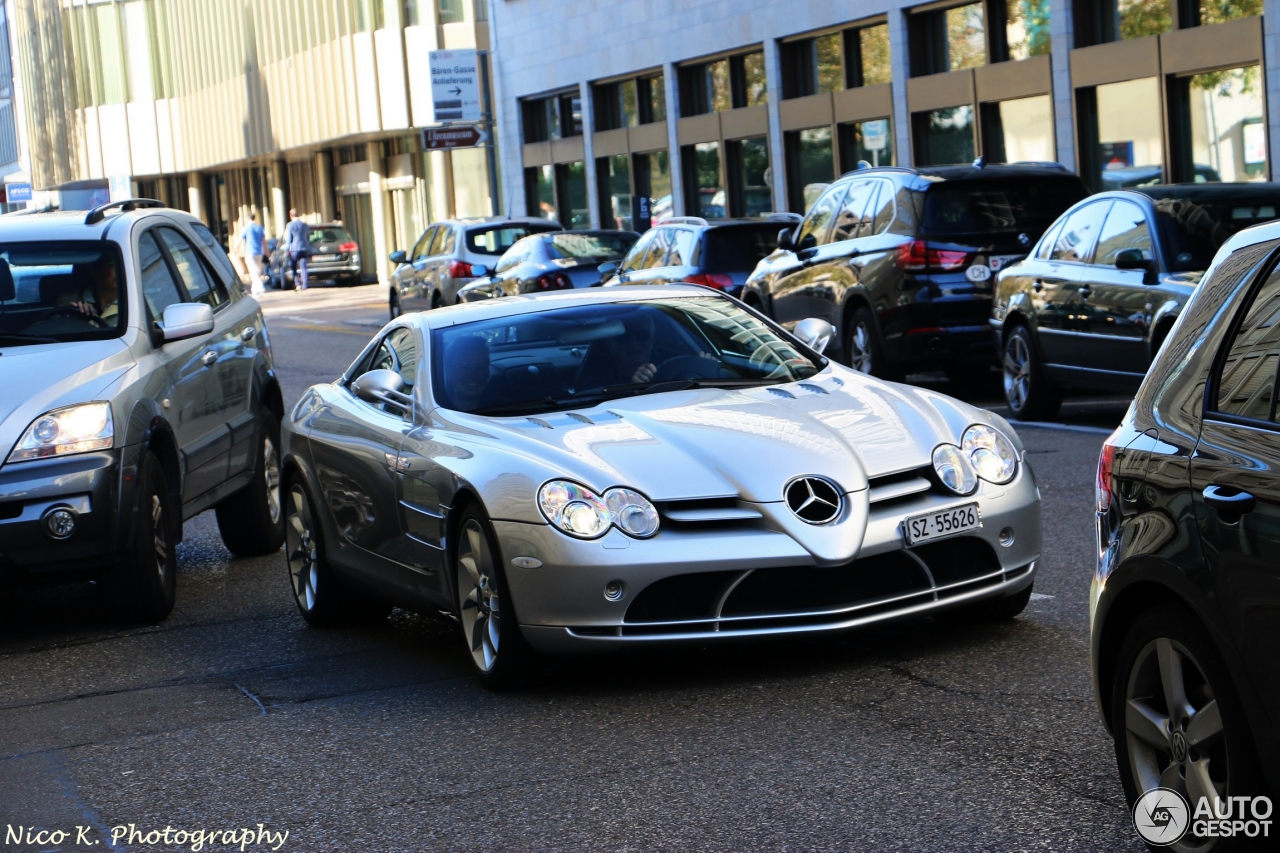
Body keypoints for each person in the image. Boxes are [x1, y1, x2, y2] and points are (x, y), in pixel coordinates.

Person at [444, 335, 492, 412]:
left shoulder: (505, 407)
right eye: (464, 367)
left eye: (480, 367)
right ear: (449, 372)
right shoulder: (437, 410)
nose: (472, 375)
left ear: (488, 372)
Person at [238, 213, 267, 296]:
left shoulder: (246, 228)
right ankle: (254, 290)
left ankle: (261, 287)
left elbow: (240, 239)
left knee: (253, 271)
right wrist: (267, 252)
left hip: (250, 252)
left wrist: (234, 249)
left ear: (247, 219)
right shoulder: (260, 228)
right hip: (259, 252)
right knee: (257, 271)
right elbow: (264, 241)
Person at [283, 208, 311, 291]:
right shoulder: (304, 224)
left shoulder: (290, 225)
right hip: (304, 248)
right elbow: (308, 236)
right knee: (304, 267)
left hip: (294, 249)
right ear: (298, 214)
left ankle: (297, 283)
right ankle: (305, 285)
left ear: (290, 215)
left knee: (293, 267)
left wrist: (287, 249)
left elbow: (289, 239)